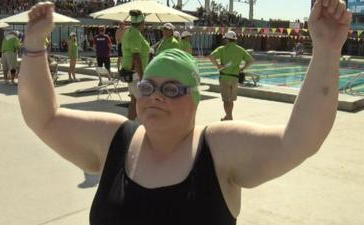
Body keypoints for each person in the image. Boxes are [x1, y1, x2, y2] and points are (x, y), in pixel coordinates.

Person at [19, 1, 351, 224]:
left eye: (171, 89)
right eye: (148, 88)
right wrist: (34, 45)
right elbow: (44, 118)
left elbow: (298, 141)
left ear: (194, 100)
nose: (155, 98)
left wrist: (326, 50)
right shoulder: (114, 140)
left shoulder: (218, 149)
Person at [209, 31, 253, 121]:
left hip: (224, 77)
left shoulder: (222, 49)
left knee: (226, 100)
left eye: (225, 39)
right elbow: (250, 61)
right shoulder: (240, 49)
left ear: (228, 39)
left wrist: (218, 65)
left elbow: (211, 56)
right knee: (231, 100)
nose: (224, 40)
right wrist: (242, 69)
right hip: (235, 78)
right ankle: (229, 115)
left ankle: (229, 117)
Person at [121, 9, 150, 120]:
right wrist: (143, 78)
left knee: (134, 101)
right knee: (143, 102)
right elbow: (136, 57)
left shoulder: (129, 31)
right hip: (136, 74)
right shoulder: (135, 34)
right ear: (141, 23)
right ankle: (145, 129)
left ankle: (129, 126)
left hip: (131, 73)